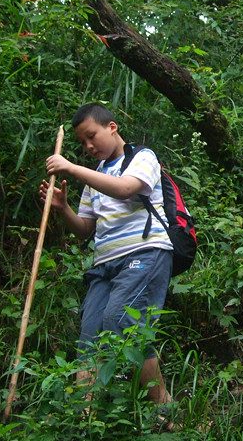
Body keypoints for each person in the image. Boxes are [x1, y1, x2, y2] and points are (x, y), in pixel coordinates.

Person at [39, 102, 174, 408]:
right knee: (90, 333)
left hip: (145, 253)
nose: (88, 146)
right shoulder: (94, 176)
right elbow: (85, 229)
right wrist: (63, 209)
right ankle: (84, 416)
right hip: (105, 264)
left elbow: (127, 189)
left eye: (92, 136)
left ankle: (163, 408)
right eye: (82, 143)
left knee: (122, 321)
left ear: (112, 128)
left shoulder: (142, 157)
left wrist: (72, 168)